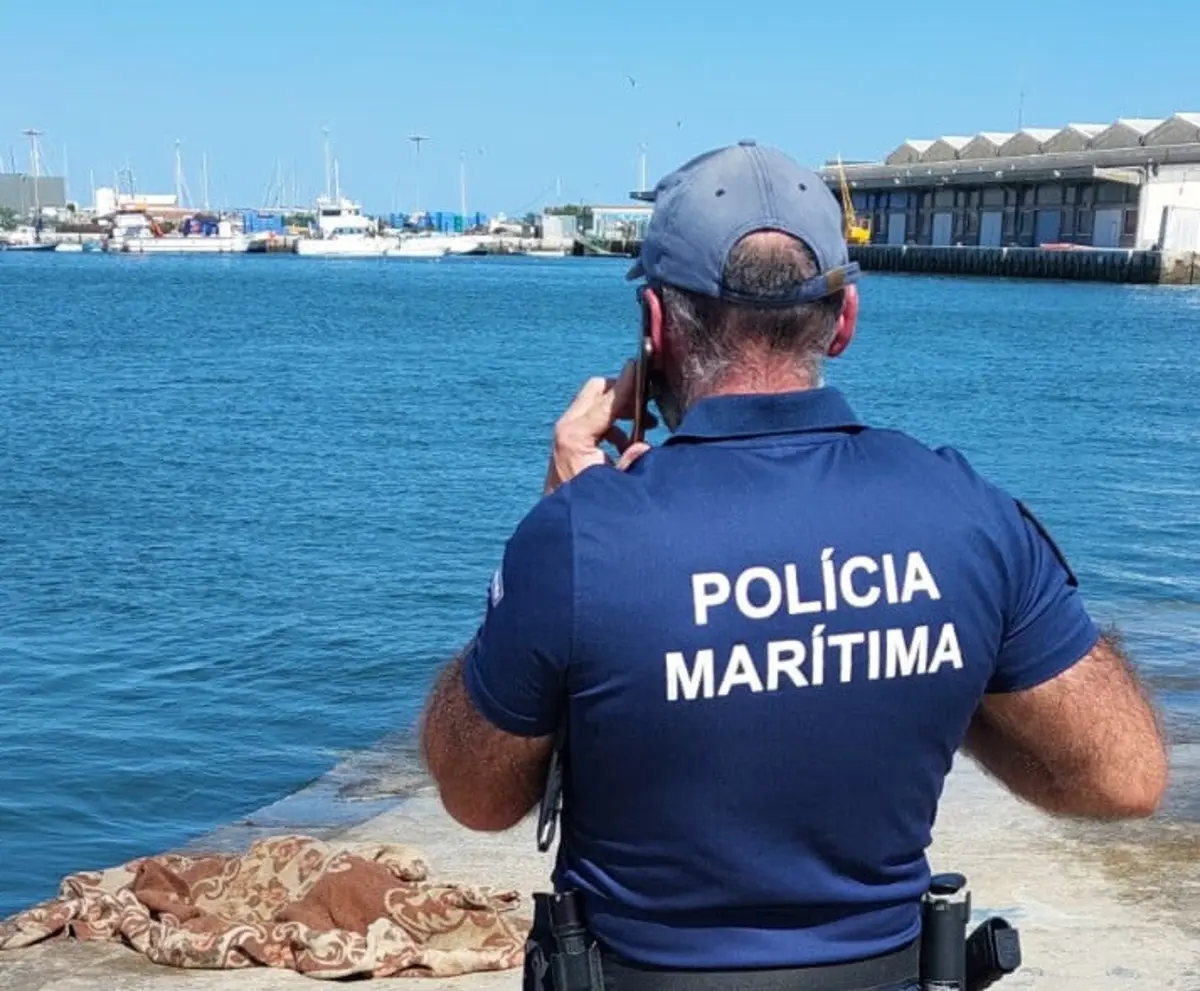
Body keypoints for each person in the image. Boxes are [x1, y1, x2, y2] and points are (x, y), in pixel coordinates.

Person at [419, 141, 1169, 990]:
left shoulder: (581, 538)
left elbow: (474, 796)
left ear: (656, 328)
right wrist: (928, 671)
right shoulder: (966, 516)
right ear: (843, 319)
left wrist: (560, 516)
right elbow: (1125, 776)